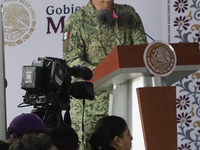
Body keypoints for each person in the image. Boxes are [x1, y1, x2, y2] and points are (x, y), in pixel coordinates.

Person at [63, 0, 148, 149]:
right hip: (92, 108)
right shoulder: (76, 20)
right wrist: (106, 71)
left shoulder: (128, 14)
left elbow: (141, 52)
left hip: (127, 101)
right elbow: (72, 61)